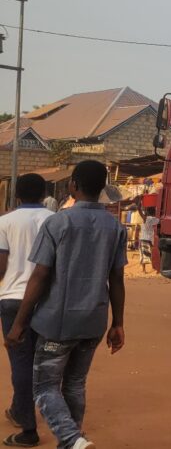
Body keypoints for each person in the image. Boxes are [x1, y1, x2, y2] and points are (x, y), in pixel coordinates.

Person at [4, 160, 126, 449]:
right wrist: (118, 323)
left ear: (73, 185)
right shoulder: (115, 226)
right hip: (94, 321)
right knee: (74, 384)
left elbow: (41, 275)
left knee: (44, 386)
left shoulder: (58, 222)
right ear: (102, 188)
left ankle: (72, 440)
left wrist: (19, 323)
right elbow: (117, 279)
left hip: (57, 321)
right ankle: (72, 440)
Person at [0, 174, 53, 448]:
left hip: (12, 299)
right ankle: (23, 408)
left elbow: (0, 264)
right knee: (41, 360)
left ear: (16, 195)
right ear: (45, 192)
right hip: (46, 300)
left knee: (20, 361)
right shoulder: (55, 219)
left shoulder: (5, 222)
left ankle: (27, 423)